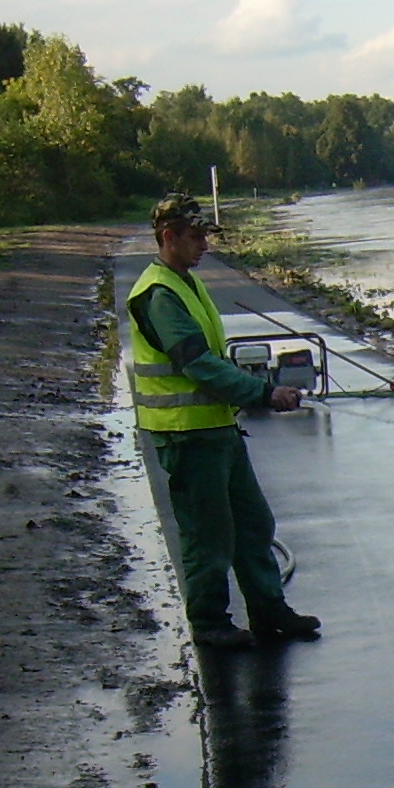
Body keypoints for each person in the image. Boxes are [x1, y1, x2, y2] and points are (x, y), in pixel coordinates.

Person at [128, 193, 321, 649]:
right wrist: (263, 392)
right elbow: (199, 365)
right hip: (187, 437)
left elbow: (212, 361)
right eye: (195, 237)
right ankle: (210, 623)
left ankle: (269, 610)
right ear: (167, 236)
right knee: (208, 536)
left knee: (253, 524)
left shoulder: (185, 282)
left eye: (206, 237)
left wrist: (250, 394)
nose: (204, 247)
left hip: (218, 430)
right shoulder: (158, 295)